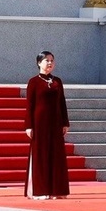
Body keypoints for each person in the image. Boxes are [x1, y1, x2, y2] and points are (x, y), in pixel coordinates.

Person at [24, 51, 70, 200]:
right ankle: (40, 190)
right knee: (41, 156)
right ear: (39, 63)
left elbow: (62, 103)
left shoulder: (57, 81)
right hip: (39, 124)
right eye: (46, 60)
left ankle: (57, 190)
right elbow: (29, 105)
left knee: (56, 157)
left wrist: (65, 122)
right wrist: (29, 126)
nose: (49, 63)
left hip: (55, 123)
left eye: (51, 60)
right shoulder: (34, 82)